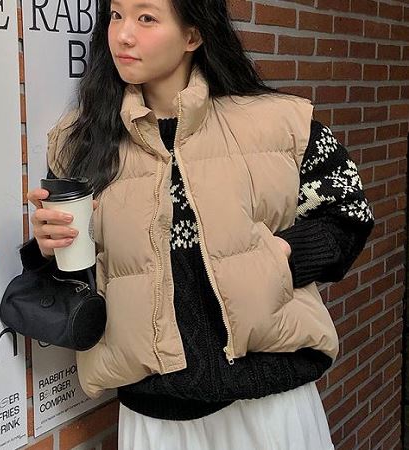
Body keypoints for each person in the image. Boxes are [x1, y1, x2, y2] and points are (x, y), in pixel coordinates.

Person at [25, 0, 375, 448]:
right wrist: (49, 249)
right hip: (156, 409)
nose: (123, 34)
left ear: (193, 36)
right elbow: (86, 272)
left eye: (146, 18)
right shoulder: (79, 141)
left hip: (269, 401)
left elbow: (347, 213)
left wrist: (281, 258)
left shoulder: (280, 123)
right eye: (116, 15)